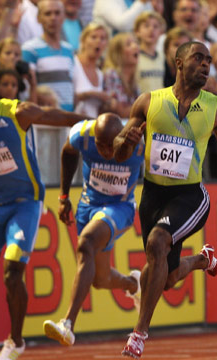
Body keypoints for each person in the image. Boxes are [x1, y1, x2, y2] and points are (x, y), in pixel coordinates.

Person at [113, 41, 217, 358]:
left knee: (158, 242)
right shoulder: (149, 101)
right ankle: (201, 260)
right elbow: (118, 150)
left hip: (190, 195)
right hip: (153, 195)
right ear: (178, 63)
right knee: (166, 277)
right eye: (198, 58)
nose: (205, 65)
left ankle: (139, 333)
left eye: (209, 60)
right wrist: (126, 141)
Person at [0, 74, 86, 360]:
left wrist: (95, 122)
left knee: (13, 270)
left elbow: (63, 118)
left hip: (26, 202)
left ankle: (15, 341)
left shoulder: (18, 112)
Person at [42, 113, 144, 346]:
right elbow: (68, 153)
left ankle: (67, 324)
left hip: (120, 208)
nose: (107, 152)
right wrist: (64, 196)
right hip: (89, 206)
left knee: (86, 242)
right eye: (102, 146)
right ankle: (134, 284)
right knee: (100, 279)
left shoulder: (137, 144)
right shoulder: (81, 134)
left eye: (112, 146)